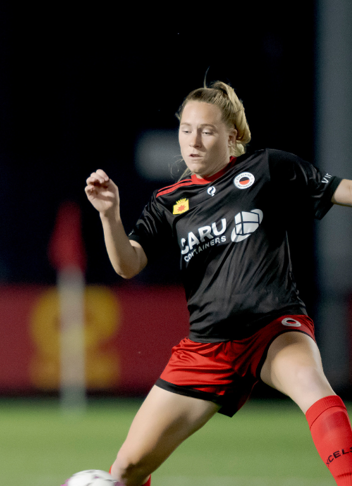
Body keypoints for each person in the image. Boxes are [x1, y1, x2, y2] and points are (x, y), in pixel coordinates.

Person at [85, 80, 352, 486]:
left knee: (315, 389)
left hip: (272, 330)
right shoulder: (168, 202)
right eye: (186, 129)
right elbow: (128, 264)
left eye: (207, 131)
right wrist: (109, 215)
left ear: (232, 136)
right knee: (126, 469)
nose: (193, 141)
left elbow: (339, 190)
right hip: (207, 348)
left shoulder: (265, 168)